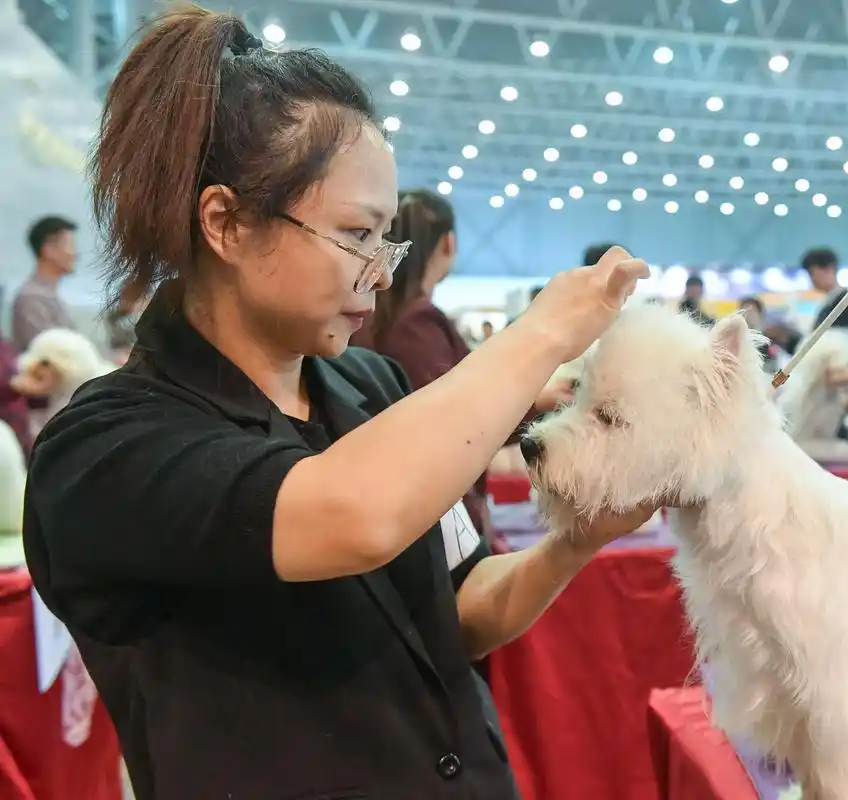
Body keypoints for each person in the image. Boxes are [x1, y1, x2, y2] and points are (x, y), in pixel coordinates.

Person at [21, 9, 656, 799]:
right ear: (225, 223)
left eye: (386, 240)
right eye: (357, 235)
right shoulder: (107, 449)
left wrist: (574, 543)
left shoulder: (374, 388)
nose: (381, 274)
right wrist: (540, 338)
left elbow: (461, 609)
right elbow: (353, 517)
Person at [350, 188, 573, 548]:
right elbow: (456, 424)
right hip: (434, 516)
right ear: (449, 243)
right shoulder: (417, 324)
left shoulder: (378, 320)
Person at [12, 216, 78, 353]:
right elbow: (48, 355)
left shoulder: (50, 294)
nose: (74, 253)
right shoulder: (31, 298)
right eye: (70, 245)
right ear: (48, 250)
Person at [805, 247, 848, 336]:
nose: (811, 279)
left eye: (811, 273)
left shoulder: (844, 304)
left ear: (829, 269)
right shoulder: (832, 301)